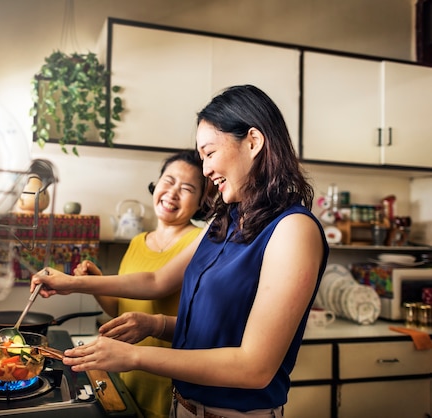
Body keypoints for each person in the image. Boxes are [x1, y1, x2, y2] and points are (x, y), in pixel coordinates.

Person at [32, 85, 329, 417]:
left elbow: (254, 367)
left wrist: (133, 356)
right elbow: (160, 281)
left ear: (253, 142)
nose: (205, 170)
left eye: (210, 153)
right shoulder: (226, 222)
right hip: (183, 406)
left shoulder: (293, 231)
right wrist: (153, 323)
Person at [75, 149, 213, 418]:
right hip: (128, 376)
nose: (172, 193)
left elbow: (157, 286)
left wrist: (72, 284)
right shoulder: (138, 241)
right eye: (168, 181)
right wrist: (95, 282)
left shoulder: (200, 242)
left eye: (186, 188)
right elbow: (120, 311)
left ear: (200, 203)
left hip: (169, 382)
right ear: (156, 184)